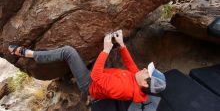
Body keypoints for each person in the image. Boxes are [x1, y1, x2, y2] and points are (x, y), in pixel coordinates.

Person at [8, 30, 166, 110]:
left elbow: (96, 76)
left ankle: (29, 53)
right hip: (102, 78)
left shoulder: (124, 89)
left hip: (89, 84)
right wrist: (122, 44)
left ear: (145, 83)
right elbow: (131, 65)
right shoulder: (138, 80)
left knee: (68, 52)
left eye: (148, 72)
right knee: (93, 60)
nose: (145, 69)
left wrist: (106, 49)